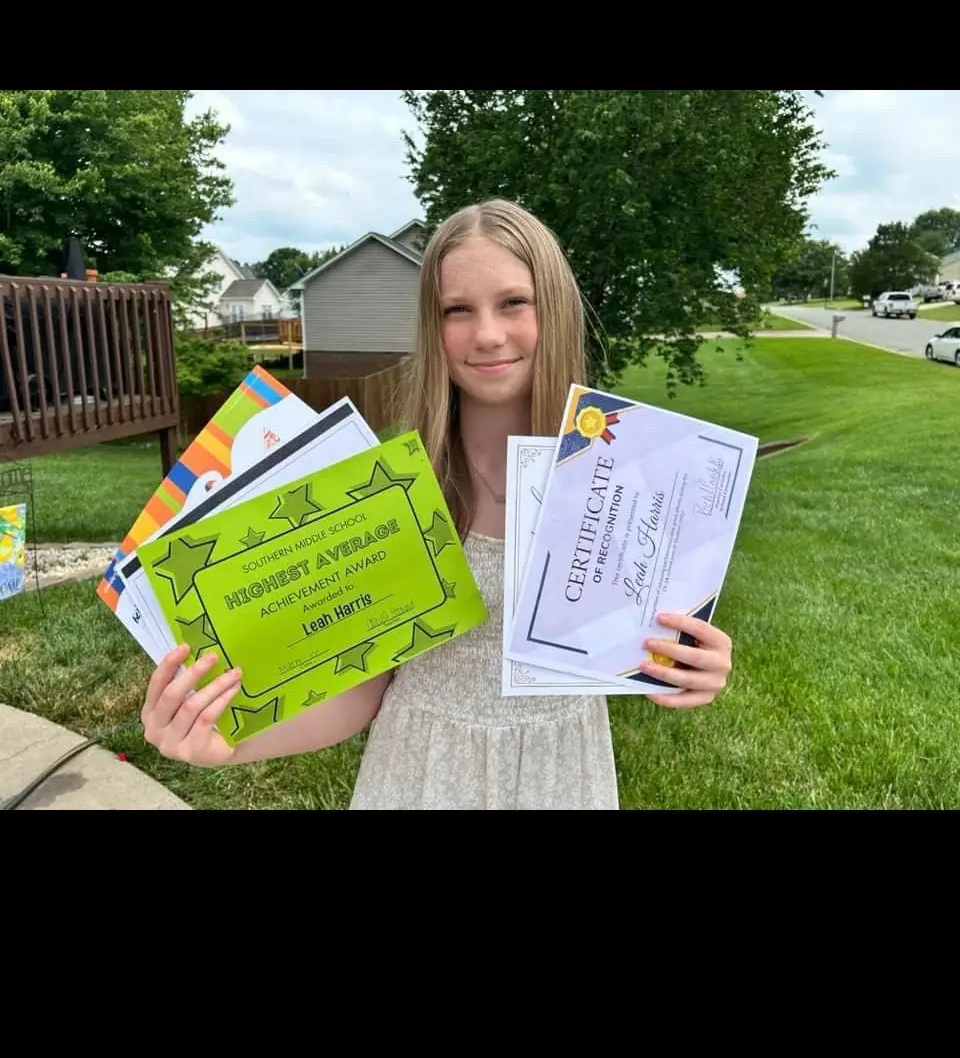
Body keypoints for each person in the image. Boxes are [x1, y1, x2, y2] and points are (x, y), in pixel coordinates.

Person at [140, 201, 734, 810]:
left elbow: (657, 636)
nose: (487, 334)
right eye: (458, 310)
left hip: (565, 774)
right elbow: (365, 688)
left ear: (552, 309)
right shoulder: (391, 489)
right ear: (434, 325)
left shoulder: (632, 476)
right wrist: (228, 744)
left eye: (513, 302)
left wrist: (695, 664)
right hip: (421, 775)